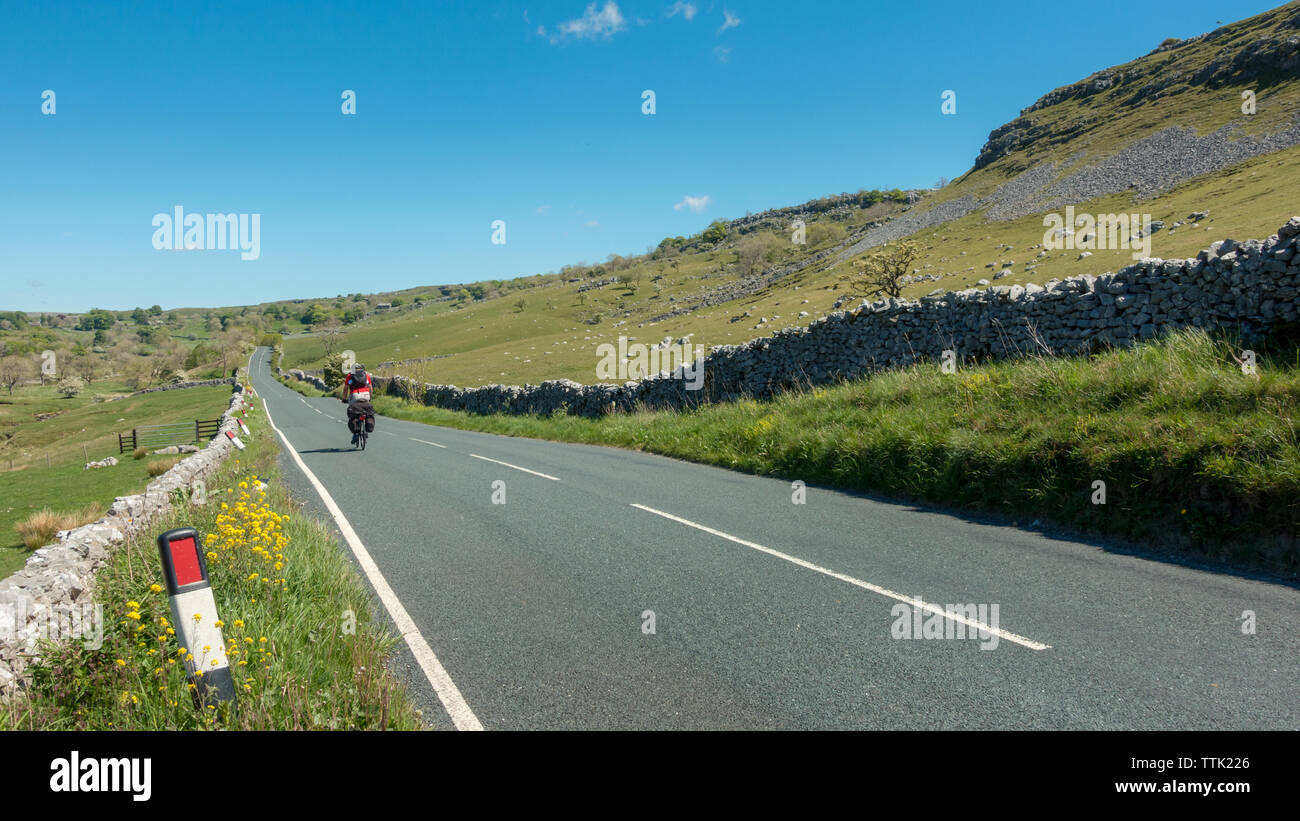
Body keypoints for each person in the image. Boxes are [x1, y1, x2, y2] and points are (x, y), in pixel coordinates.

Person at [342, 363, 375, 445]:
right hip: (365, 395)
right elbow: (370, 387)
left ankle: (355, 434)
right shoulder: (366, 375)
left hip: (354, 395)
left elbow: (346, 389)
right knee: (367, 411)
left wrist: (344, 399)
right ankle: (366, 428)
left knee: (353, 413)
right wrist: (370, 397)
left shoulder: (350, 376)